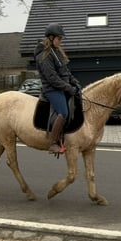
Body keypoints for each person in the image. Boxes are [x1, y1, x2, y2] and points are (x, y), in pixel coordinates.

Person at [34, 23, 81, 155]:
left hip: (61, 87)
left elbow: (65, 71)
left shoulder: (57, 52)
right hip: (52, 89)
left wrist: (74, 82)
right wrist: (68, 88)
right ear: (50, 38)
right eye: (59, 38)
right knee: (64, 113)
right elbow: (52, 78)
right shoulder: (44, 55)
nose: (61, 41)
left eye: (61, 39)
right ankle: (53, 143)